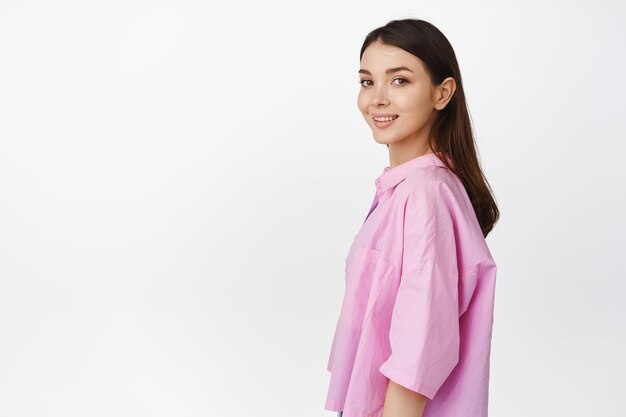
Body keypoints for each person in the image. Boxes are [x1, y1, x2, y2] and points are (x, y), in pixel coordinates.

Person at [324, 19, 500, 417]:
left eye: (399, 81)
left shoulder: (424, 195)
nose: (378, 99)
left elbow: (418, 351)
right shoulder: (411, 189)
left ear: (442, 93)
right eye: (367, 81)